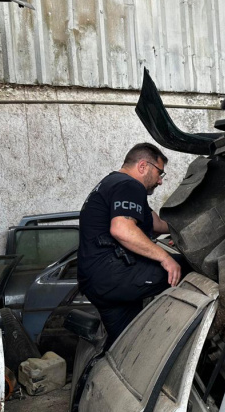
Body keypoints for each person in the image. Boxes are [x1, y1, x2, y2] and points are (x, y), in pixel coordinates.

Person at [77, 143, 182, 345]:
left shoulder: (112, 184)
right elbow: (122, 229)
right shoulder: (128, 185)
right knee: (187, 268)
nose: (160, 181)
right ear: (143, 166)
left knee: (127, 344)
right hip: (114, 274)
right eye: (160, 173)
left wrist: (186, 229)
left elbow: (158, 224)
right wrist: (165, 258)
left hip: (96, 282)